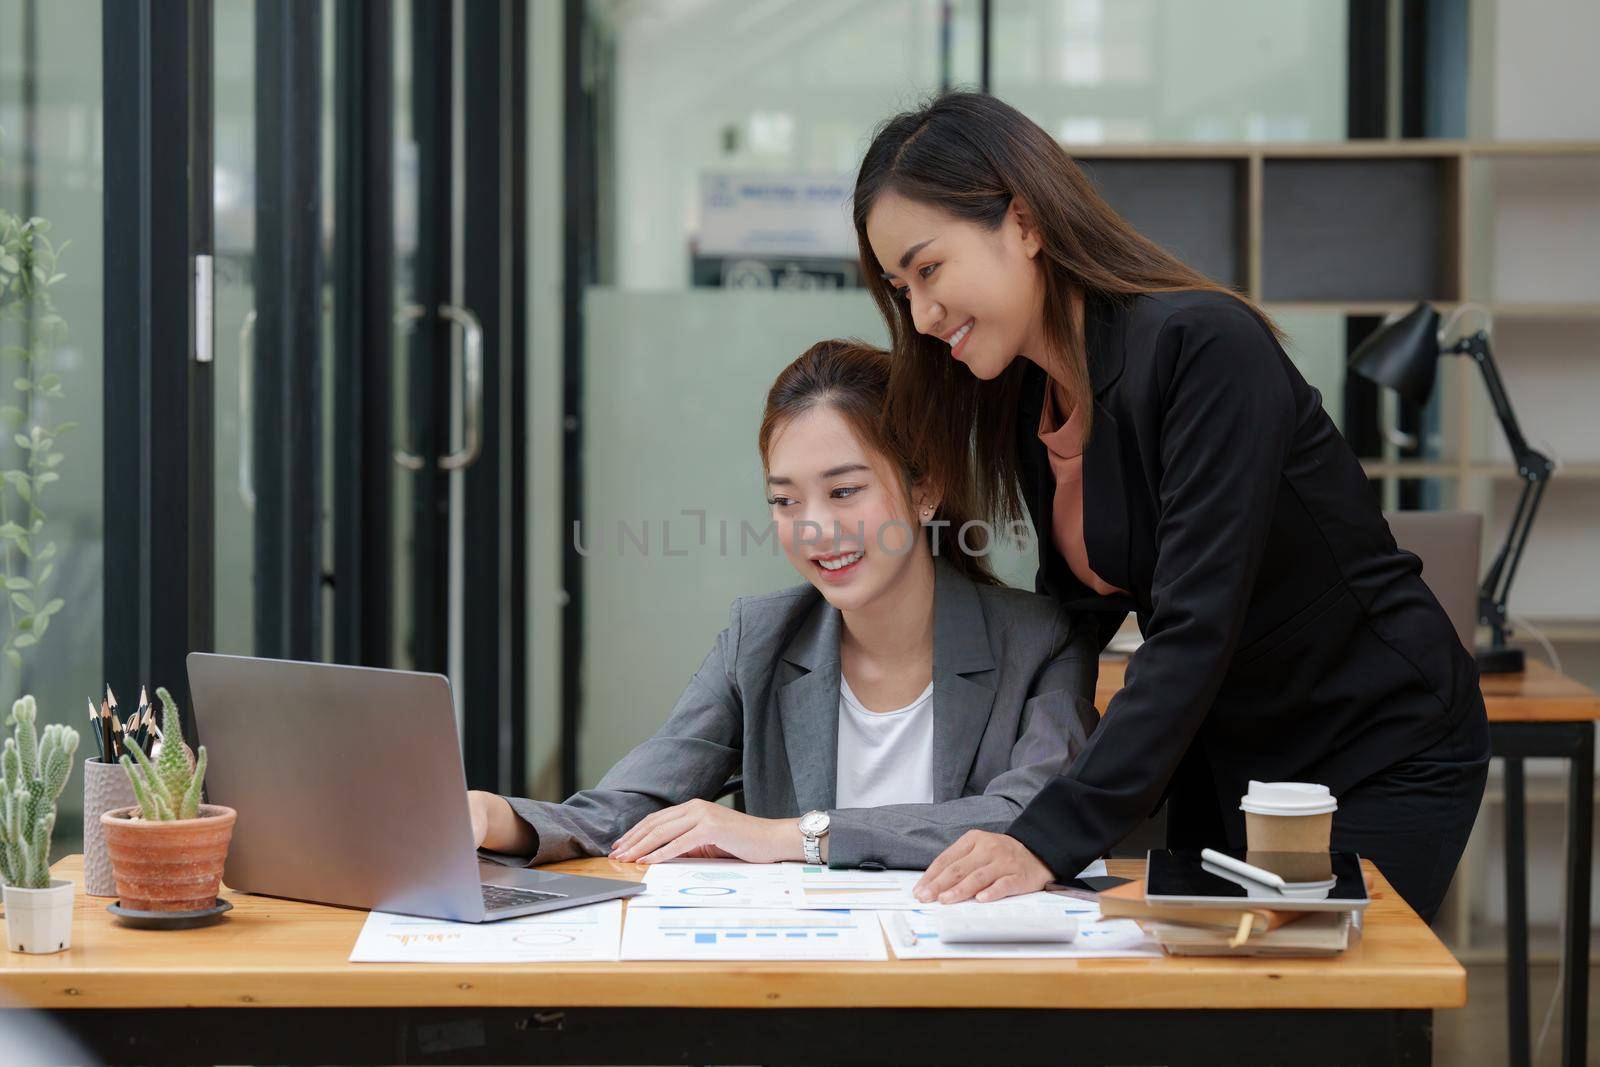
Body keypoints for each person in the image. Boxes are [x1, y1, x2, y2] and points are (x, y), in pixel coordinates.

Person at [854, 91, 1488, 922]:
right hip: (1233, 759)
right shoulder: (1027, 399)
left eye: (929, 269)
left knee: (1321, 1016)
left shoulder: (1204, 347)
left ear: (1025, 222)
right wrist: (1002, 771)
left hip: (1374, 747)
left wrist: (1044, 837)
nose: (923, 314)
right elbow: (1071, 620)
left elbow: (1192, 627)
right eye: (901, 289)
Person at [472, 338, 1099, 871]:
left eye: (845, 490)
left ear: (926, 485)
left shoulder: (1038, 639)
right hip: (798, 983)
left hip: (958, 985)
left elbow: (1032, 817)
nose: (816, 528)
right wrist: (493, 818)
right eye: (785, 501)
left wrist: (791, 835)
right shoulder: (762, 639)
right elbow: (632, 807)